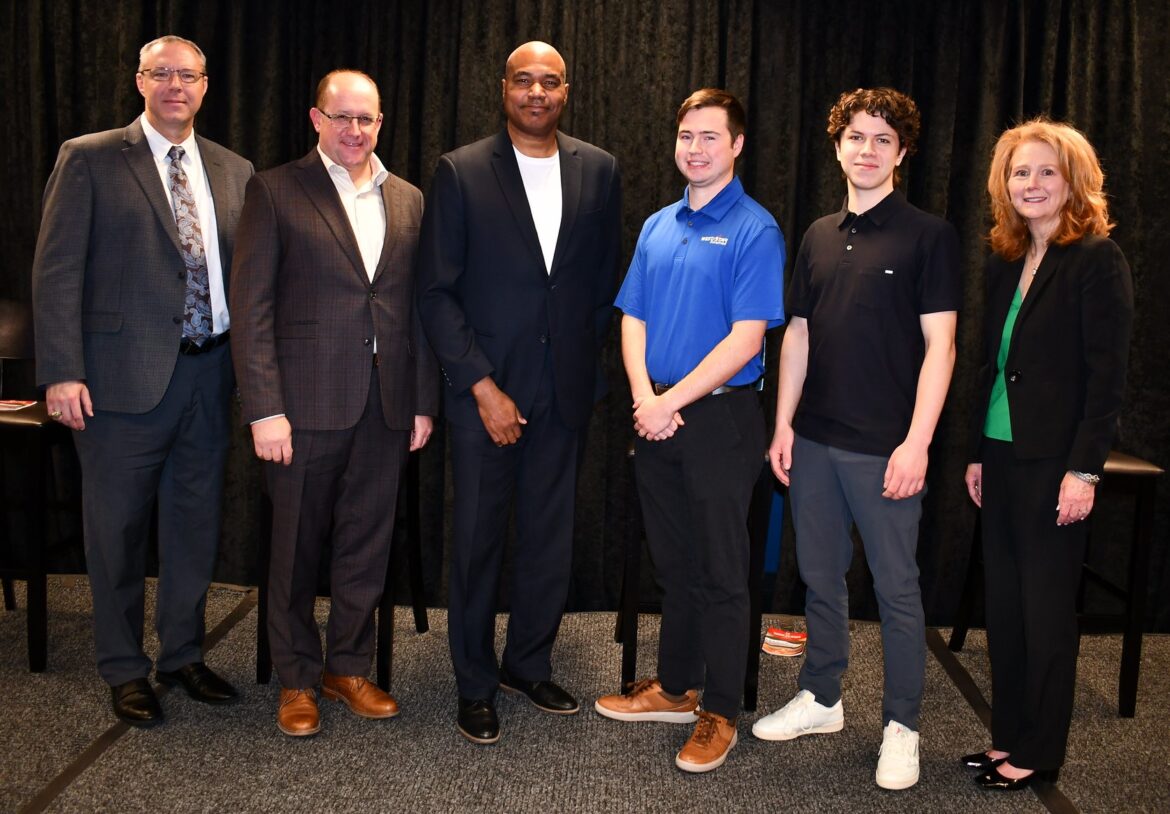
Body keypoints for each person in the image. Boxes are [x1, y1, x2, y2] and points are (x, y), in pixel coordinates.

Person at [30, 35, 252, 727]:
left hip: (210, 373)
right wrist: (62, 370)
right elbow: (56, 269)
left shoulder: (234, 169)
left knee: (194, 526)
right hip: (118, 381)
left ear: (206, 86)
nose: (175, 86)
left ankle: (182, 654)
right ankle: (124, 667)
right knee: (117, 532)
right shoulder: (91, 157)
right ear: (139, 82)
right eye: (162, 74)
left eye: (188, 75)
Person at [752, 87, 960, 791]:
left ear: (902, 153)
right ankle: (822, 697)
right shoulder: (815, 234)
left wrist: (918, 443)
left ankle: (902, 725)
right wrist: (782, 423)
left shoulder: (929, 235)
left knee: (898, 590)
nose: (866, 150)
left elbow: (943, 348)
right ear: (836, 147)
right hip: (813, 440)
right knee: (819, 575)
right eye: (855, 138)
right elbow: (799, 336)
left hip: (887, 447)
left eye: (881, 139)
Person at [416, 41, 622, 745]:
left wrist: (575, 360)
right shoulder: (461, 171)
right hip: (485, 396)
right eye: (524, 80)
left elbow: (600, 284)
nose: (538, 92)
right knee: (474, 542)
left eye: (551, 82)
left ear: (567, 90)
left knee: (546, 540)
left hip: (563, 390)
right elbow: (437, 293)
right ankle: (474, 683)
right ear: (504, 87)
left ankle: (526, 663)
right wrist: (482, 385)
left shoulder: (599, 169)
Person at [231, 70, 438, 737]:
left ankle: (347, 667)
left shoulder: (409, 199)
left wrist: (424, 402)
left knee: (366, 546)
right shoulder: (274, 189)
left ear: (382, 123)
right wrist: (264, 408)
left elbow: (420, 311)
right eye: (342, 117)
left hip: (386, 407)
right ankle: (296, 678)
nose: (355, 130)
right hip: (302, 409)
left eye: (367, 119)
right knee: (293, 549)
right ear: (316, 119)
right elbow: (253, 306)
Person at [594, 88, 784, 773]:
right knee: (675, 568)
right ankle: (676, 689)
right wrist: (648, 397)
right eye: (686, 135)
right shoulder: (657, 225)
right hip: (658, 415)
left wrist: (673, 401)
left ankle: (721, 711)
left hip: (721, 419)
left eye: (710, 137)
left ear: (736, 146)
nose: (695, 148)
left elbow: (746, 339)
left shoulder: (755, 230)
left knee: (724, 575)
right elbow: (633, 317)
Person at [961, 119, 1133, 790]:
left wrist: (1084, 470)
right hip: (1002, 457)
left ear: (1074, 182)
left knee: (1046, 611)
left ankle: (1040, 750)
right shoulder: (1009, 256)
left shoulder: (1096, 258)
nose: (1029, 184)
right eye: (1018, 172)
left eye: (1045, 172)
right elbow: (991, 365)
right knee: (1005, 607)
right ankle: (1007, 737)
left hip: (1056, 464)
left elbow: (1106, 376)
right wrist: (977, 451)